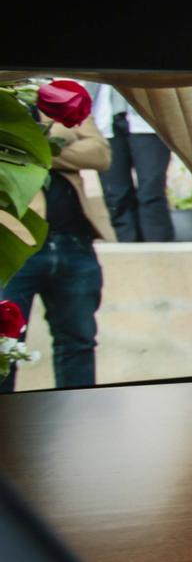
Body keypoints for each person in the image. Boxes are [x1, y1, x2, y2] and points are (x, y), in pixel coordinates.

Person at [1, 106, 113, 391]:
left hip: (74, 243)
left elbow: (100, 154)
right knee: (5, 345)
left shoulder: (57, 100)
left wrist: (35, 151)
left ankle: (78, 423)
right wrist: (63, 148)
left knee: (79, 342)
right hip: (14, 244)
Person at [93, 85, 172, 242]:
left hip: (147, 123)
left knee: (151, 188)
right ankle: (128, 244)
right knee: (115, 193)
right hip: (104, 122)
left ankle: (158, 245)